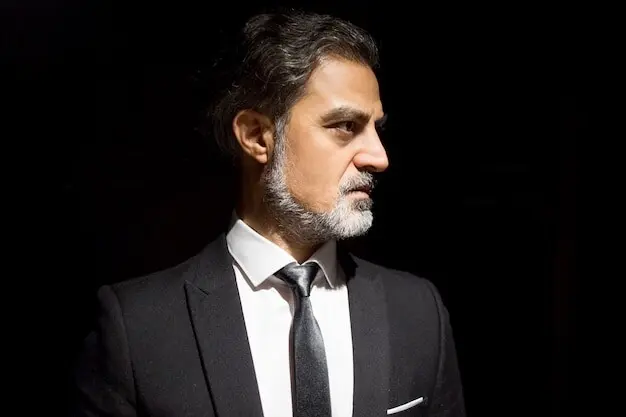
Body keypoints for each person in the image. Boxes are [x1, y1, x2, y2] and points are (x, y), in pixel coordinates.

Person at [70, 9, 466, 417]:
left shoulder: (418, 312)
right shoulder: (136, 328)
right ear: (258, 136)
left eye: (376, 129)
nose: (379, 157)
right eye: (346, 125)